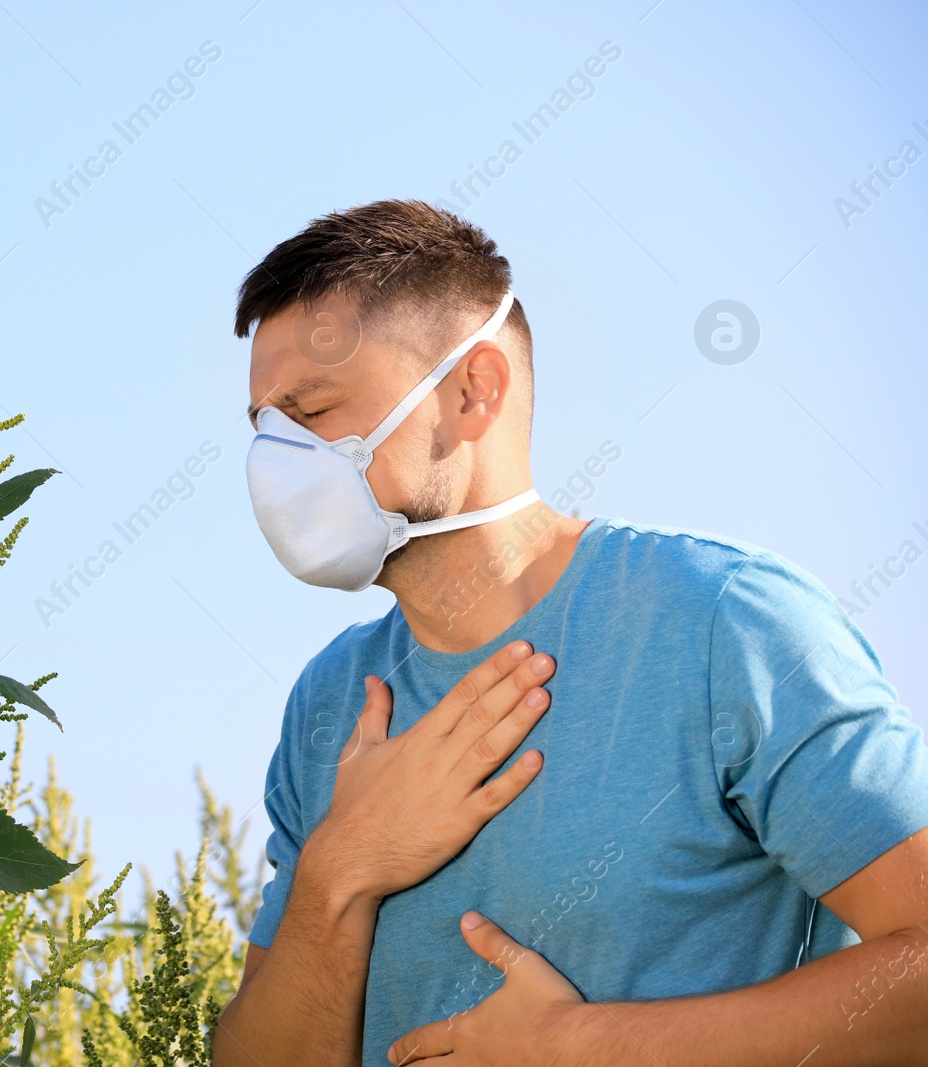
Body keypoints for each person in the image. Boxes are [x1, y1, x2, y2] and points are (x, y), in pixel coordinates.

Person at [213, 199, 928, 1066]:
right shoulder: (333, 698)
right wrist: (340, 869)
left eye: (313, 409)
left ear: (473, 390)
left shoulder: (724, 622)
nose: (277, 462)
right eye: (266, 426)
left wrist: (583, 1046)